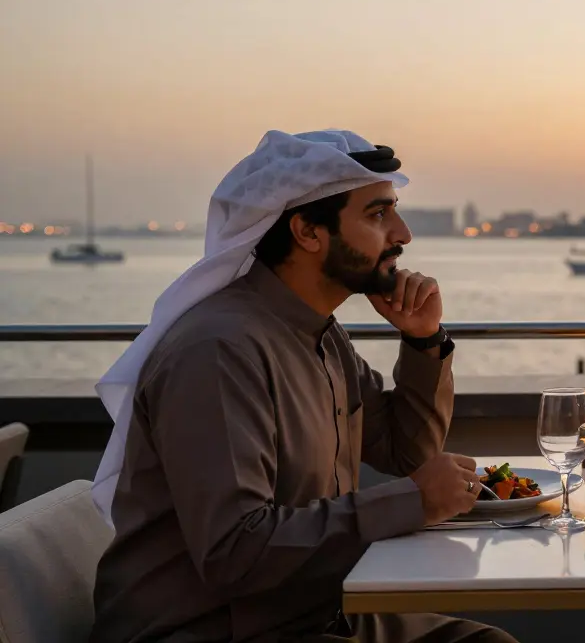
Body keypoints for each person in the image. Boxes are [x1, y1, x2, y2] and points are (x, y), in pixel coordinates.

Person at [88, 130, 516, 643]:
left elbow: (408, 455)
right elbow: (234, 553)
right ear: (308, 232)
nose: (402, 234)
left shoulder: (321, 333)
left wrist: (424, 342)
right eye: (378, 214)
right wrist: (412, 502)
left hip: (309, 613)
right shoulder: (219, 351)